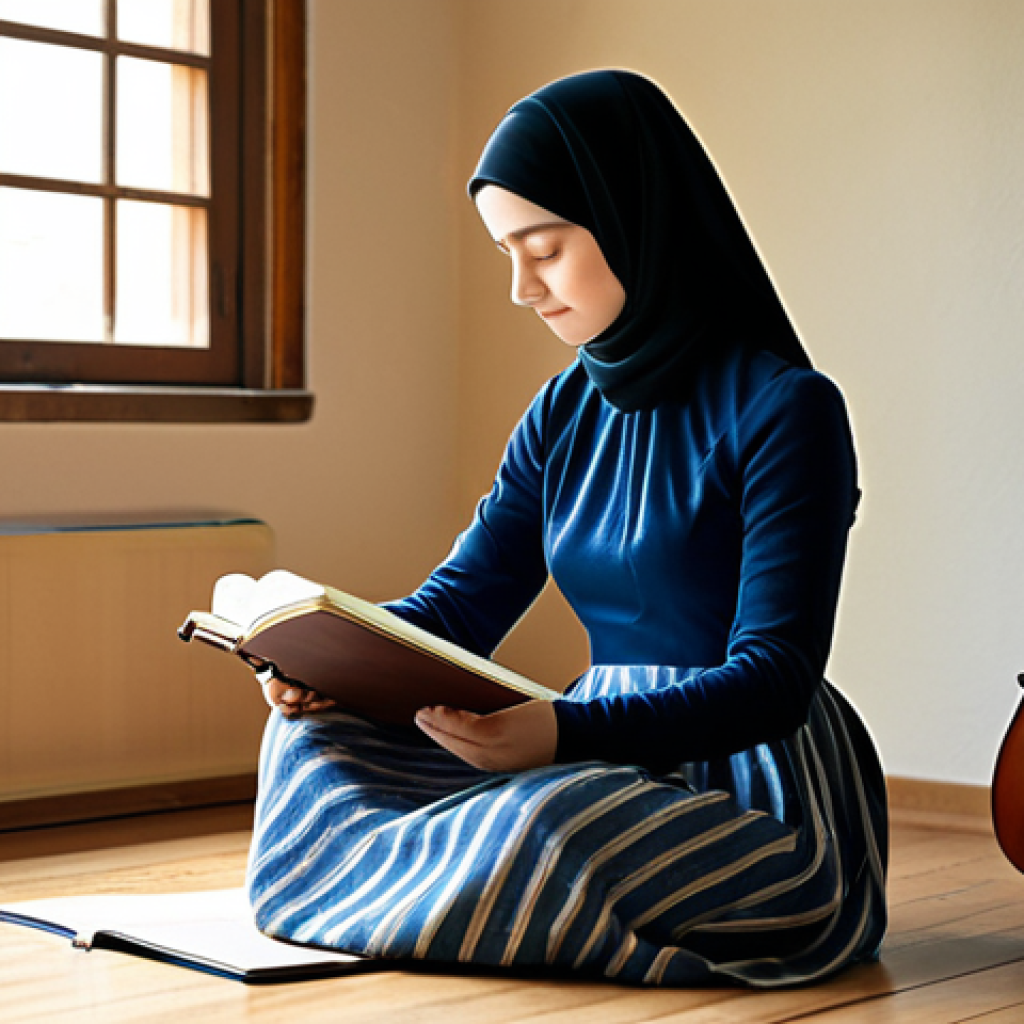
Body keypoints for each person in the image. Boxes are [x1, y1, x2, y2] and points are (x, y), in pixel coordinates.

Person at [248, 69, 888, 987]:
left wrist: (563, 733)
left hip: (747, 778)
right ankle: (459, 901)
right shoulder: (562, 410)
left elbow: (775, 680)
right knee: (311, 742)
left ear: (633, 223)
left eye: (543, 250)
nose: (521, 288)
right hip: (584, 747)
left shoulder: (788, 409)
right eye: (506, 253)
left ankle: (420, 895)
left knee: (544, 820)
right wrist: (329, 663)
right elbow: (460, 607)